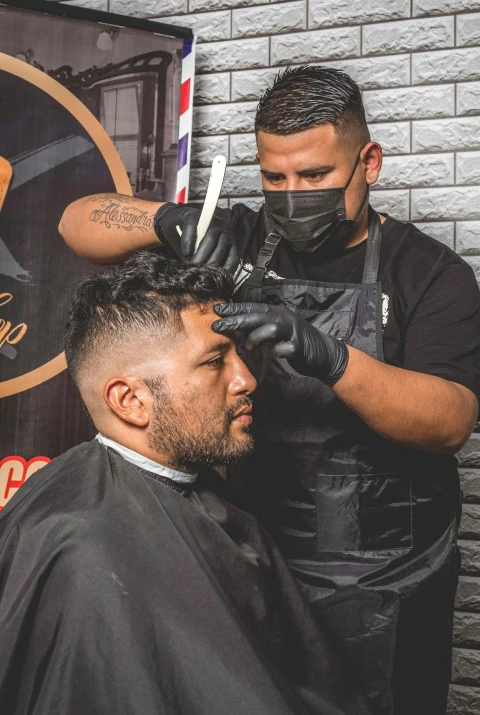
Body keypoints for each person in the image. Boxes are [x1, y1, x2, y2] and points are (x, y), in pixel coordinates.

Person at [58, 66, 480, 715]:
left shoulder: (429, 272)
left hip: (386, 585)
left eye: (313, 176)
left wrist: (328, 354)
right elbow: (74, 223)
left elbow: (448, 420)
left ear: (367, 161)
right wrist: (169, 220)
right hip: (251, 558)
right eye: (274, 177)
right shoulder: (243, 240)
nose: (290, 195)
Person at [0, 252, 371, 715]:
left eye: (240, 354)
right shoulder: (83, 544)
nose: (247, 379)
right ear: (131, 400)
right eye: (216, 361)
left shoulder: (205, 495)